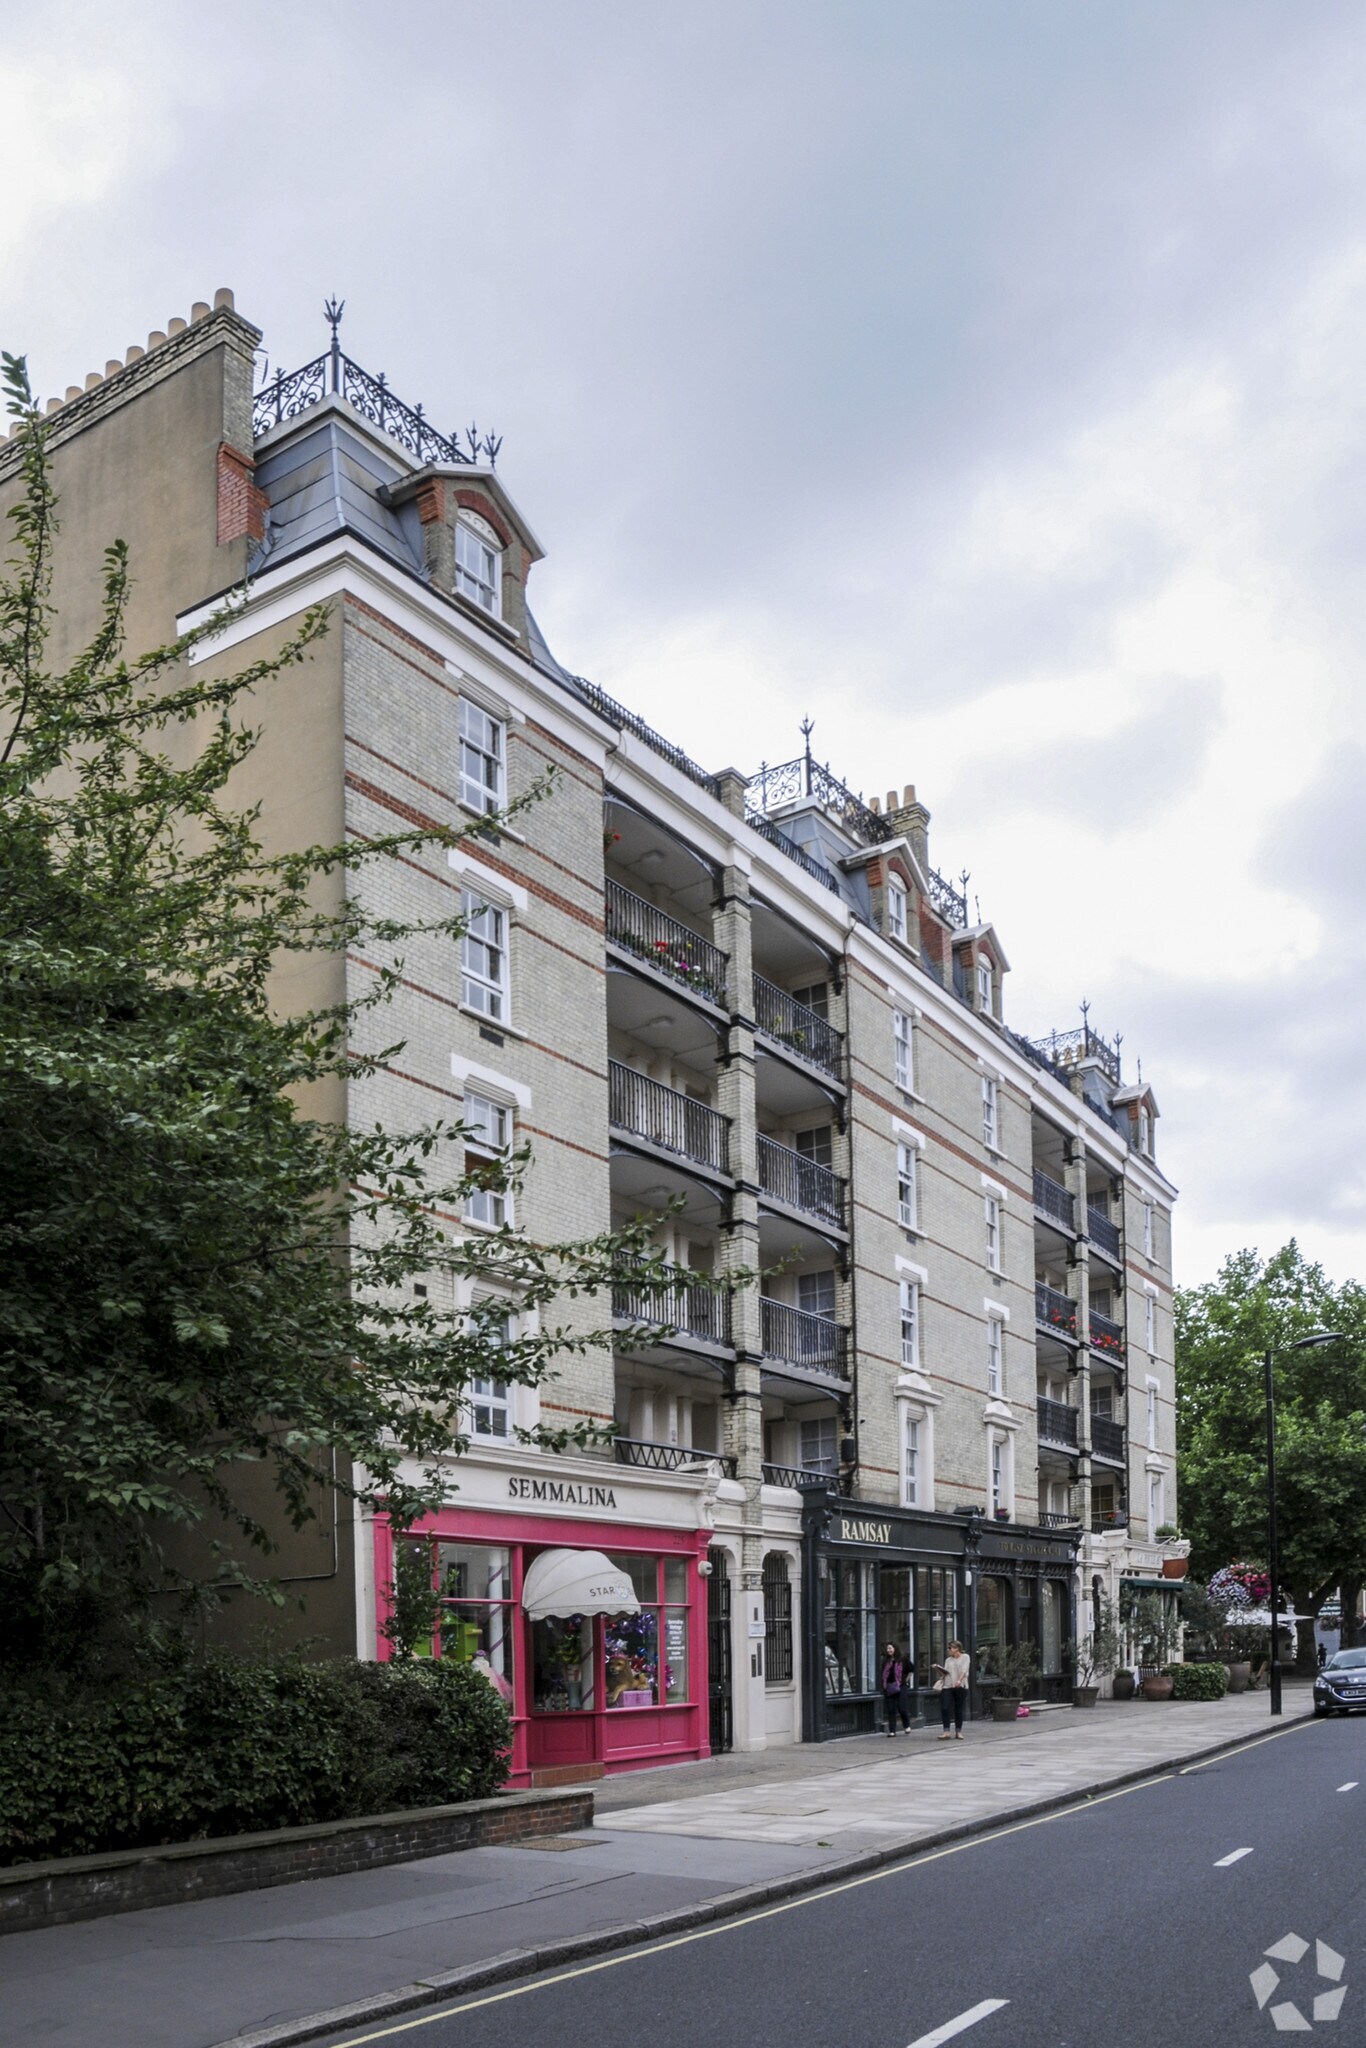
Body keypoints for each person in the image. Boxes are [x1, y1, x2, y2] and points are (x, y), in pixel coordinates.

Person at [936, 1640, 971, 1740]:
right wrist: (938, 1669)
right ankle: (946, 1731)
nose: (949, 1650)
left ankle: (958, 1732)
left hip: (960, 1686)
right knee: (945, 1707)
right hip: (948, 1686)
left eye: (950, 1648)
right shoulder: (948, 1660)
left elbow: (964, 1670)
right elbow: (946, 1673)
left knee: (958, 1709)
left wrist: (959, 1681)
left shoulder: (965, 1657)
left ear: (957, 1648)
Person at [881, 1642, 911, 1735]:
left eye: (890, 1648)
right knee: (891, 1709)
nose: (889, 1650)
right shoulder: (885, 1661)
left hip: (901, 1686)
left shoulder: (902, 1660)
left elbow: (911, 1670)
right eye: (887, 1649)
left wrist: (905, 1680)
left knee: (902, 1708)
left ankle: (906, 1725)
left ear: (895, 1649)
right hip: (889, 1687)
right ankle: (892, 1731)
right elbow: (883, 1674)